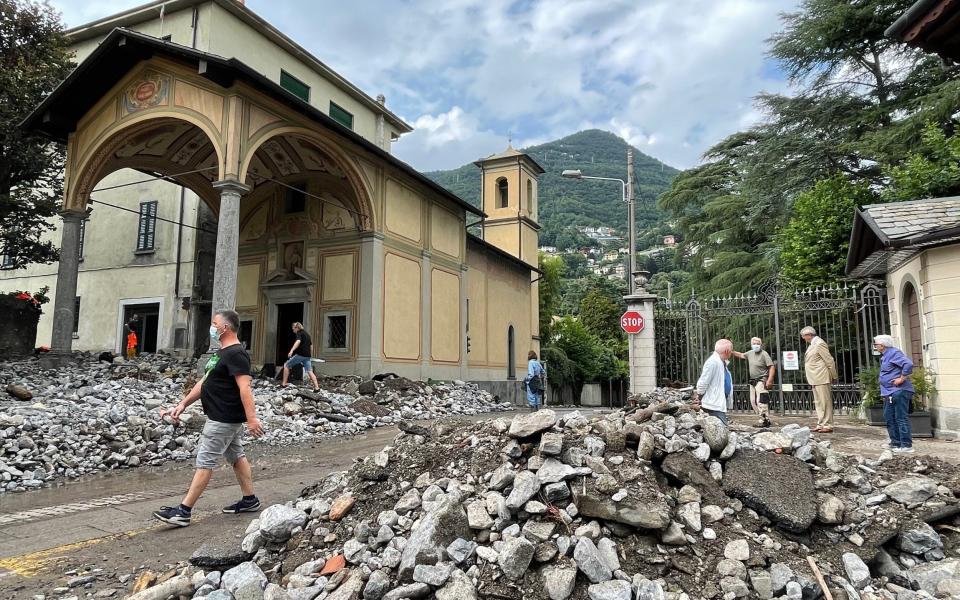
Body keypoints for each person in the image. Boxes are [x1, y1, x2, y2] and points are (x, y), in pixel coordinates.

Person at [152, 309, 265, 527]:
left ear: (225, 328)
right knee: (236, 455)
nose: (212, 327)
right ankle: (250, 499)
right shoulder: (220, 354)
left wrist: (252, 419)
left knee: (205, 461)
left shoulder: (236, 354)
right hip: (222, 416)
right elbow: (204, 382)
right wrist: (182, 404)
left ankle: (183, 511)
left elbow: (245, 388)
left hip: (223, 418)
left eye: (214, 324)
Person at [874, 334, 915, 454]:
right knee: (889, 417)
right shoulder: (886, 356)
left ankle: (906, 445)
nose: (875, 346)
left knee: (900, 418)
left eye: (876, 344)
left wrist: (901, 379)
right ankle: (895, 443)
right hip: (889, 392)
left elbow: (908, 364)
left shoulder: (894, 353)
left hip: (898, 391)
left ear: (882, 345)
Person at [801, 326, 837, 433]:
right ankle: (821, 423)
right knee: (818, 402)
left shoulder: (819, 343)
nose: (803, 338)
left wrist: (833, 376)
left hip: (821, 376)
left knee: (824, 402)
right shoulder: (813, 344)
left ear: (809, 335)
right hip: (815, 377)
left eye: (803, 336)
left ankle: (828, 424)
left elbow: (829, 360)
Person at [733, 337, 776, 427]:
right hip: (753, 380)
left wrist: (770, 380)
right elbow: (741, 355)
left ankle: (764, 420)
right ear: (751, 344)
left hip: (762, 379)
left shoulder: (764, 354)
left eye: (757, 343)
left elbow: (771, 367)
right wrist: (731, 351)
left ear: (760, 344)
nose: (756, 345)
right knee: (753, 401)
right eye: (754, 343)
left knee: (761, 400)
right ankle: (762, 417)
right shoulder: (750, 353)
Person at [694, 339, 734, 425]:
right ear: (727, 351)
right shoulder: (713, 362)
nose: (732, 352)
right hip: (713, 403)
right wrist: (699, 396)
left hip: (717, 402)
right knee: (722, 428)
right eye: (731, 350)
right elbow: (703, 381)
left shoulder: (721, 362)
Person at [282, 322, 320, 392]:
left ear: (297, 328)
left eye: (293, 329)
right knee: (309, 371)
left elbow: (298, 341)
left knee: (286, 365)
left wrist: (291, 350)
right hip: (307, 356)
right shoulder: (307, 334)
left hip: (301, 354)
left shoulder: (299, 333)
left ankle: (284, 383)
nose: (293, 331)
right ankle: (317, 387)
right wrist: (310, 354)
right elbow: (311, 345)